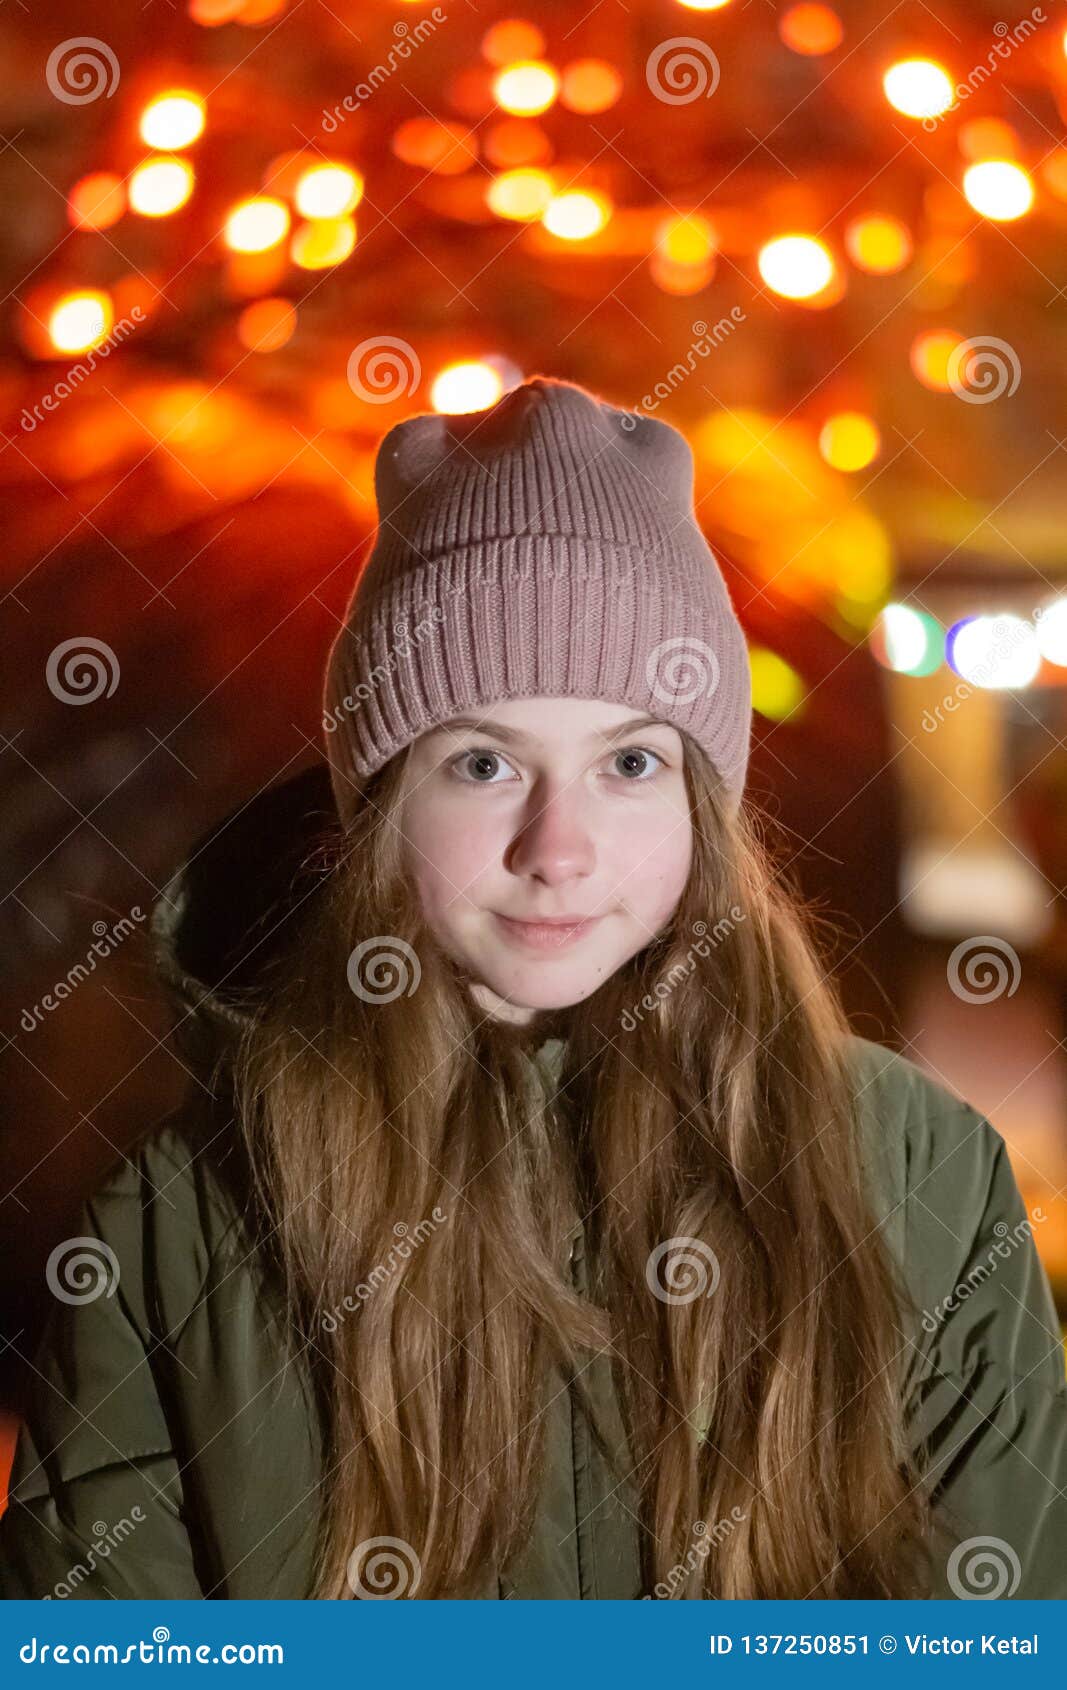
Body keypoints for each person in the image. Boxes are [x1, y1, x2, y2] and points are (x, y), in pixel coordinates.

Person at [2, 377, 1066, 1601]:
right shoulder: (179, 1217)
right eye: (481, 760)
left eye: (627, 760)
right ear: (378, 808)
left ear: (699, 806)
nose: (555, 847)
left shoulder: (919, 1169)